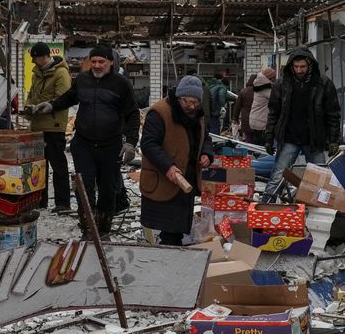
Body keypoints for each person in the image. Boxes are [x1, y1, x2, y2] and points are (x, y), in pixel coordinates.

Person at [28, 44, 140, 237]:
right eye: (93, 61)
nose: (96, 65)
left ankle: (103, 228)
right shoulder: (82, 79)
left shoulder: (121, 83)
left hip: (110, 146)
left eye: (101, 62)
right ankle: (87, 227)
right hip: (84, 144)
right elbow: (69, 98)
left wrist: (130, 142)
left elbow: (133, 114)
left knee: (107, 189)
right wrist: (51, 105)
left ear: (111, 63)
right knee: (83, 187)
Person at [140, 76, 213, 245]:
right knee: (168, 226)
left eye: (196, 103)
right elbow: (149, 144)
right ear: (179, 97)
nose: (192, 106)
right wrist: (168, 167)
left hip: (186, 179)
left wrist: (206, 154)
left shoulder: (198, 115)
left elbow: (206, 137)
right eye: (188, 102)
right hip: (164, 177)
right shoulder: (160, 112)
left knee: (178, 226)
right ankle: (169, 254)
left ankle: (174, 249)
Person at [263, 47, 341, 198]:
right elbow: (273, 113)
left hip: (314, 139)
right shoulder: (281, 84)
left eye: (302, 67)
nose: (299, 70)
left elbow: (333, 114)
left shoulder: (323, 84)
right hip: (289, 138)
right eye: (296, 67)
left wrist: (334, 140)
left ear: (310, 65)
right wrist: (268, 138)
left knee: (321, 181)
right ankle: (265, 209)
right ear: (291, 66)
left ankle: (321, 213)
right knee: (277, 177)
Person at [24, 43, 72, 213]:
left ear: (44, 57)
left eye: (35, 58)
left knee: (58, 165)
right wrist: (28, 107)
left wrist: (47, 106)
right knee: (39, 167)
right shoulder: (37, 73)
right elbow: (32, 94)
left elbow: (64, 98)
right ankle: (40, 200)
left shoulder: (61, 73)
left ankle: (63, 203)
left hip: (54, 126)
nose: (34, 62)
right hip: (37, 126)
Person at [248, 67, 276, 145]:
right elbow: (278, 99)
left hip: (255, 118)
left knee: (258, 143)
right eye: (274, 77)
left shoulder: (260, 86)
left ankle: (257, 155)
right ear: (269, 78)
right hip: (261, 121)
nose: (275, 79)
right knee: (262, 145)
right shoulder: (266, 89)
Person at [232, 74, 257, 143]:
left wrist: (235, 118)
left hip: (246, 119)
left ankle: (249, 151)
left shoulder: (243, 91)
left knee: (248, 138)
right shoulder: (260, 92)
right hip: (259, 120)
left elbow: (237, 107)